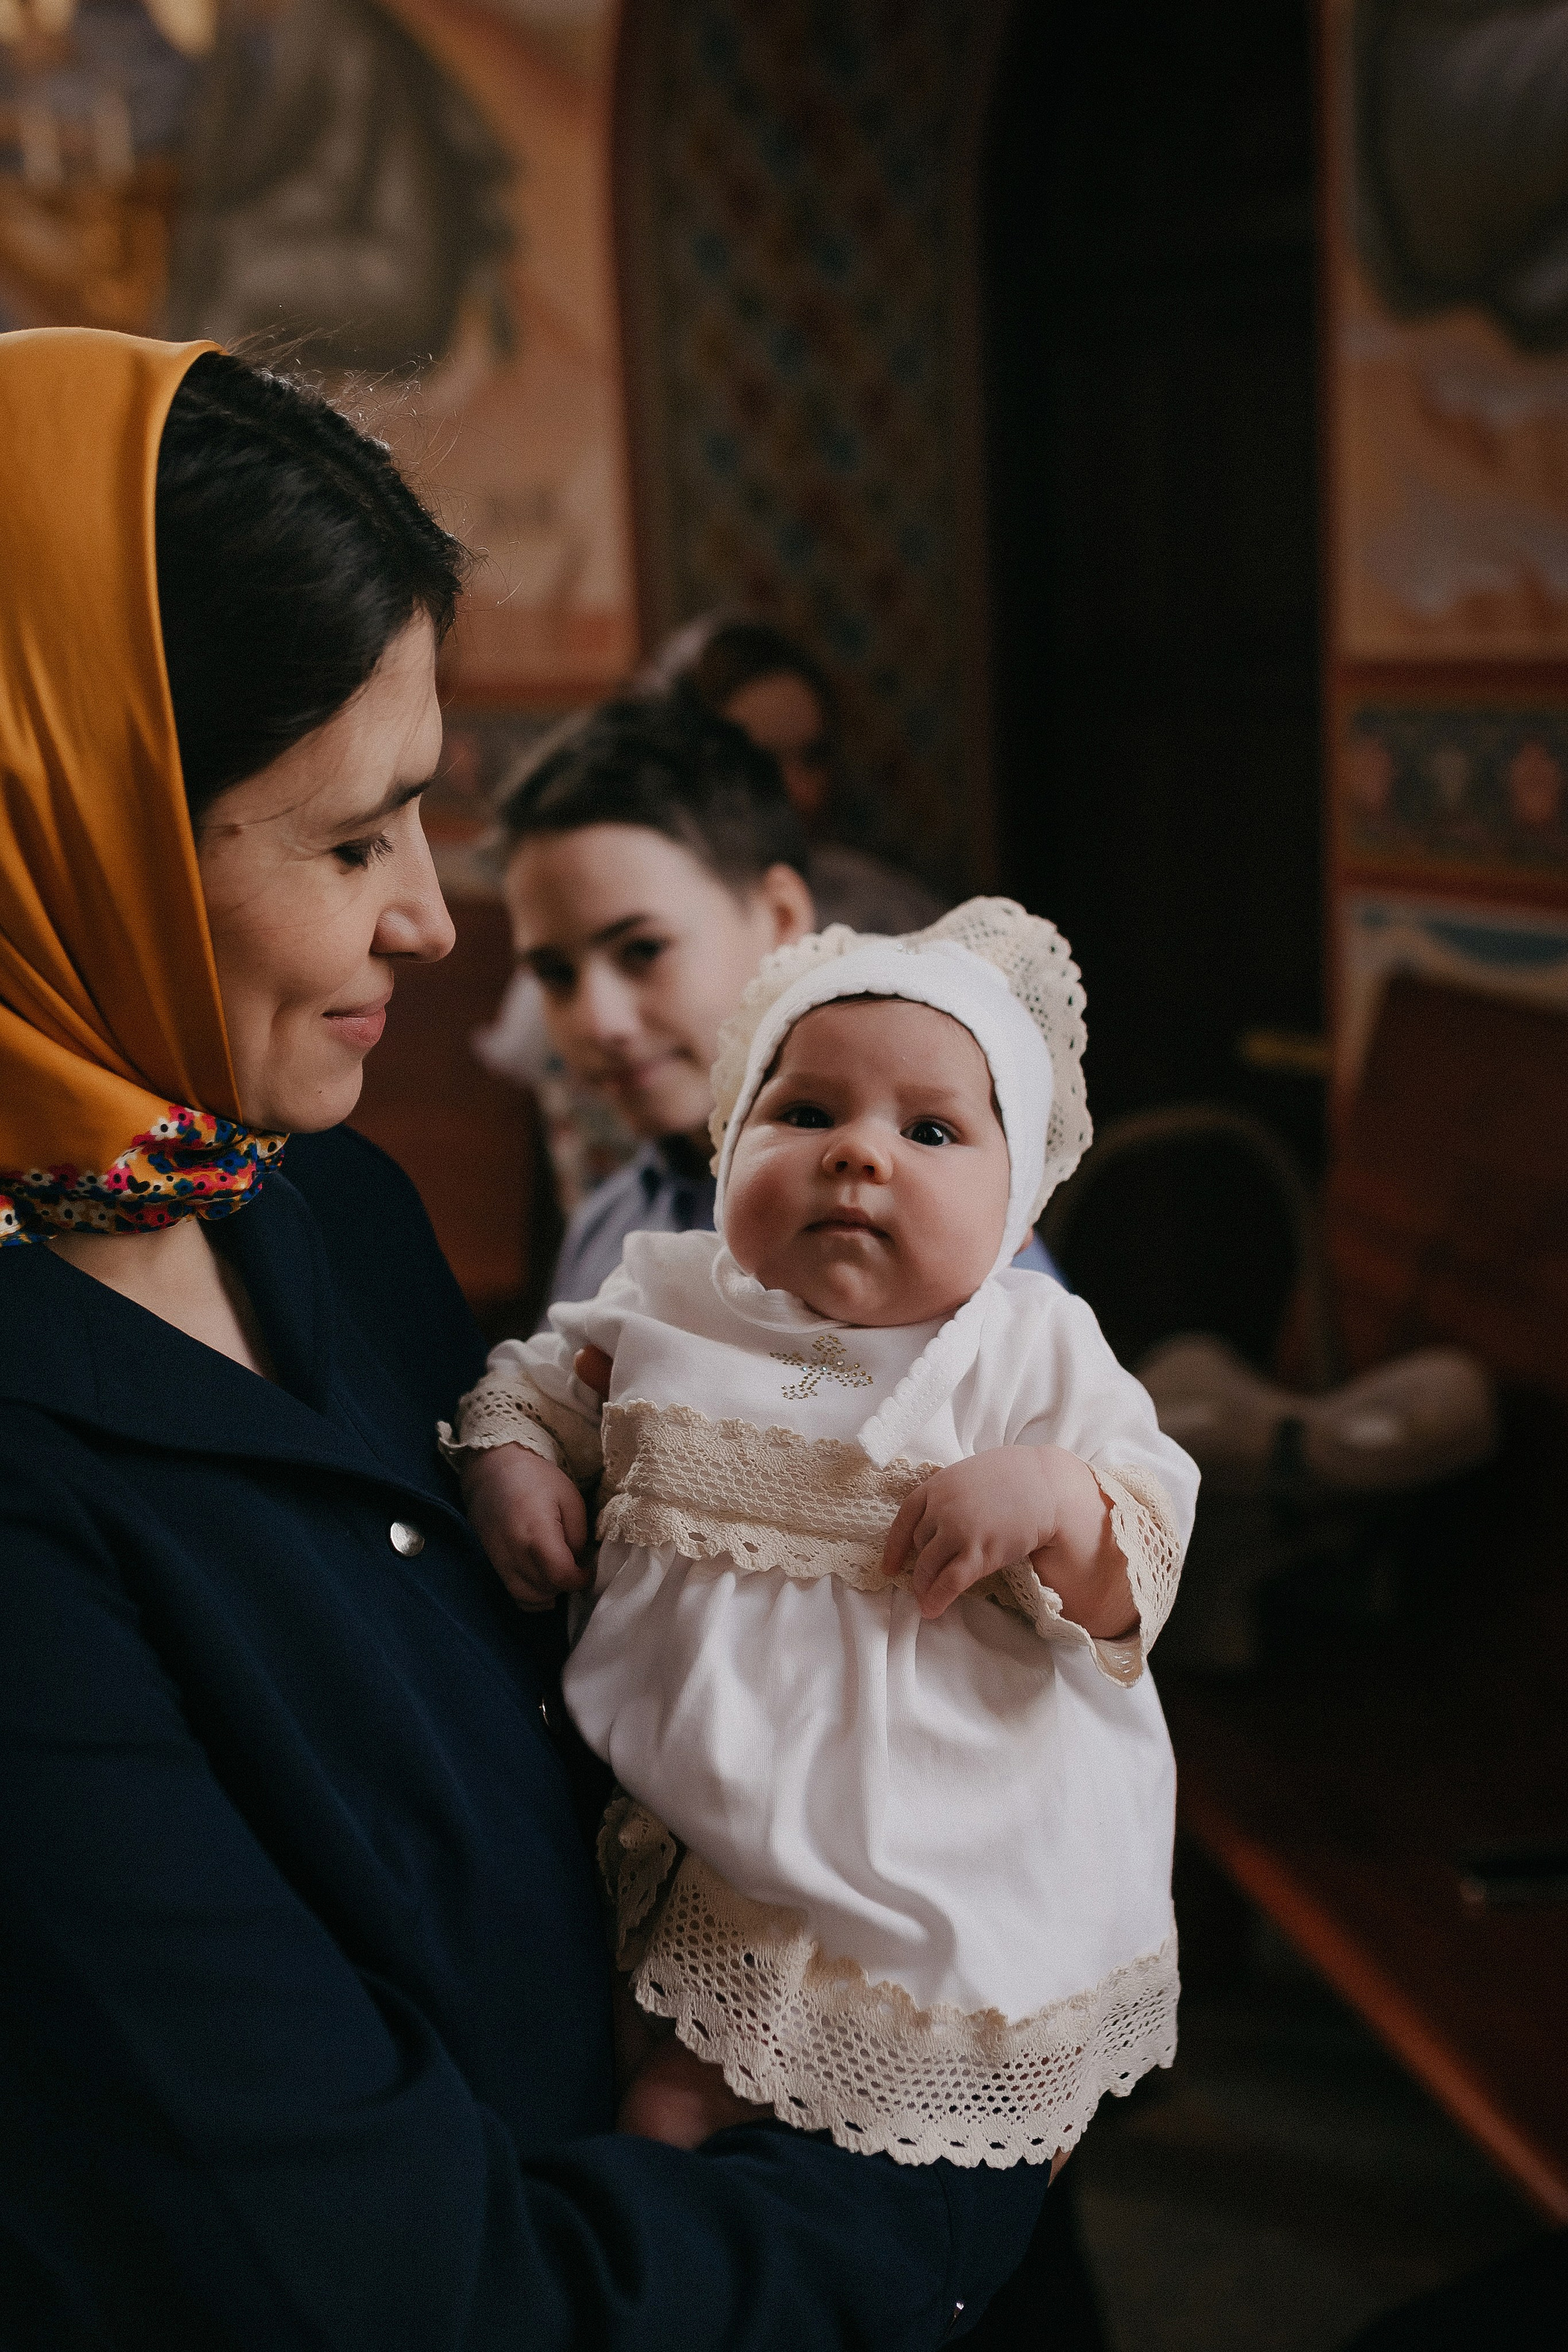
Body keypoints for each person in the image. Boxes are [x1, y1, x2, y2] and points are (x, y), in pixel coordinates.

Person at [0, 326, 1049, 2348]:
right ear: (76, 833)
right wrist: (954, 2144)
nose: (433, 922)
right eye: (347, 841)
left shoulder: (322, 1209)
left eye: (427, 819)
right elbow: (417, 2298)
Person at [447, 901, 1197, 2166]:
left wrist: (1053, 1499)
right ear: (730, 1141)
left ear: (1016, 1211)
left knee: (939, 2107)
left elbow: (1143, 1542)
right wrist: (511, 1461)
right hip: (705, 1842)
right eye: (803, 1114)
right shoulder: (670, 1295)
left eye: (930, 1130)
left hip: (948, 1849)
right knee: (656, 2106)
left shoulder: (1023, 1343)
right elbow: (531, 1381)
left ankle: (965, 2132)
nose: (859, 1155)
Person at [489, 699, 1062, 1313]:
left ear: (781, 918)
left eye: (643, 950)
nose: (598, 1022)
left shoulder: (937, 1243)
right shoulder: (604, 1226)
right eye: (554, 974)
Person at [641, 611, 946, 935]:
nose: (797, 789)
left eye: (813, 757)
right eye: (764, 761)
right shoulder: (657, 910)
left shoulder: (878, 904)